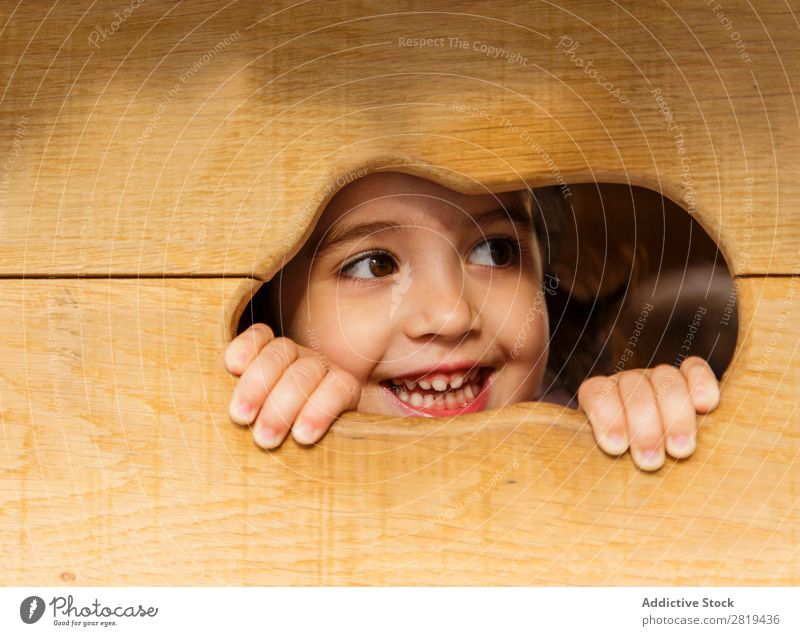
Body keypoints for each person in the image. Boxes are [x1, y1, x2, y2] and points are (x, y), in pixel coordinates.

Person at [224, 172, 720, 471]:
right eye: (374, 264)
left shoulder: (590, 426)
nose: (451, 314)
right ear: (263, 305)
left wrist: (653, 422)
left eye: (496, 251)